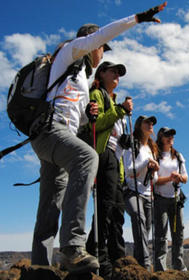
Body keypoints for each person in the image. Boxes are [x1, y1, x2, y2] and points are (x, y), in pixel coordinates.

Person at [30, 2, 167, 273]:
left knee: (50, 203)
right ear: (91, 44)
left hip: (59, 136)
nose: (102, 50)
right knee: (86, 156)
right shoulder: (70, 53)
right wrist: (138, 18)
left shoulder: (79, 77)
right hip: (50, 131)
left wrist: (86, 115)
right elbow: (101, 35)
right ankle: (72, 248)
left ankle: (39, 267)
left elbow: (72, 114)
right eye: (102, 47)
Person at [85, 61, 132, 279]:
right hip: (103, 155)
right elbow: (97, 124)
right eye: (113, 71)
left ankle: (110, 257)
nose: (117, 75)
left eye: (119, 73)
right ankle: (100, 258)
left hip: (114, 159)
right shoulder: (97, 94)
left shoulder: (111, 101)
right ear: (101, 73)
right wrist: (121, 111)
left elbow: (114, 134)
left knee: (114, 210)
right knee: (105, 208)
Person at [123, 115, 159, 270]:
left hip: (147, 193)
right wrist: (146, 163)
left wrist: (153, 170)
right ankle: (145, 264)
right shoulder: (132, 144)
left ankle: (138, 267)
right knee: (138, 219)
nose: (151, 124)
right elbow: (127, 170)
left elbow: (155, 179)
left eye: (152, 123)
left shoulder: (151, 149)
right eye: (147, 122)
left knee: (144, 231)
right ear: (138, 126)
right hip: (131, 191)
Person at [154, 127, 188, 272]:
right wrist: (170, 178)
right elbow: (154, 180)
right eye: (167, 135)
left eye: (172, 135)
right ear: (161, 138)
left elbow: (186, 177)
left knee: (178, 232)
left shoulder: (178, 156)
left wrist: (179, 177)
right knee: (161, 234)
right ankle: (161, 269)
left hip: (176, 198)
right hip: (160, 199)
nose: (170, 138)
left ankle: (178, 265)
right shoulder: (156, 155)